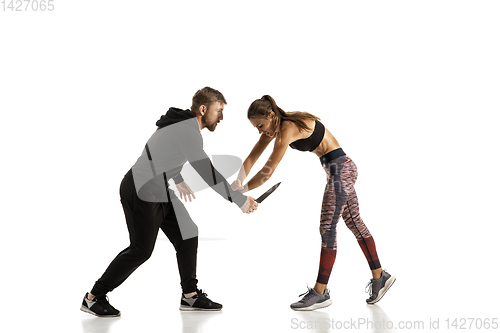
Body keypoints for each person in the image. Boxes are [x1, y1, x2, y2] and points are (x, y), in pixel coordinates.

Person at [81, 87, 259, 317]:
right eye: (219, 111)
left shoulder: (181, 126)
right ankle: (93, 297)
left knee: (188, 233)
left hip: (159, 188)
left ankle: (190, 296)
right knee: (141, 250)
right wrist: (238, 199)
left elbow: (163, 152)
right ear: (203, 109)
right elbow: (205, 168)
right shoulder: (187, 130)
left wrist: (178, 177)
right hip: (141, 189)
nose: (221, 117)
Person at [231, 95, 395, 311]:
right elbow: (253, 157)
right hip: (338, 170)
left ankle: (320, 293)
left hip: (341, 170)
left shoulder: (287, 128)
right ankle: (380, 276)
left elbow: (267, 172)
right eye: (256, 128)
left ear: (271, 116)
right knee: (354, 222)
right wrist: (239, 180)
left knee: (327, 228)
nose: (260, 131)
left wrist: (243, 190)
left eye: (260, 125)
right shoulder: (276, 129)